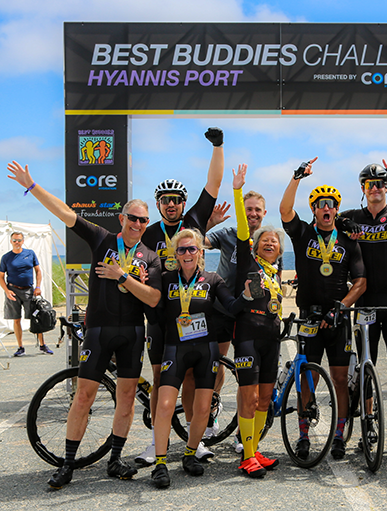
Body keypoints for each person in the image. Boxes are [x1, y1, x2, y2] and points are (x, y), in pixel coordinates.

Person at [6, 161, 162, 489]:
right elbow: (65, 213)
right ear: (122, 219)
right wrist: (32, 186)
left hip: (133, 332)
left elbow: (153, 298)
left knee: (127, 396)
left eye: (143, 219)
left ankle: (115, 458)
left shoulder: (150, 255)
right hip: (100, 331)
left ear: (148, 223)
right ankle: (67, 464)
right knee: (84, 396)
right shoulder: (103, 239)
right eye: (132, 218)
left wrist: (124, 278)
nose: (137, 223)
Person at [135, 127, 225, 466]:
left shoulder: (194, 220)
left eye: (176, 200)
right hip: (161, 318)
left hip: (195, 318)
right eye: (165, 201)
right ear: (158, 205)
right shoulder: (148, 232)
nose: (171, 205)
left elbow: (213, 184)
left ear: (183, 204)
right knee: (160, 378)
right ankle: (155, 442)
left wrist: (218, 146)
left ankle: (193, 438)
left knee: (191, 376)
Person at [279, 158, 366, 460]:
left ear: (336, 209)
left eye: (331, 204)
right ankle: (304, 435)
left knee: (340, 379)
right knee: (307, 379)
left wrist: (341, 308)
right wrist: (297, 177)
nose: (326, 208)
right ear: (314, 209)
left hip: (337, 318)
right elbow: (285, 211)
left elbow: (361, 282)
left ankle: (339, 434)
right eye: (320, 204)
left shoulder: (348, 240)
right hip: (309, 317)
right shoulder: (303, 233)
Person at [150, 227, 247, 488]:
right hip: (175, 348)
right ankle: (159, 463)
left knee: (203, 408)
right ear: (176, 254)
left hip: (206, 350)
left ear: (200, 252)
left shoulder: (213, 280)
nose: (187, 253)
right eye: (181, 249)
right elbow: (154, 310)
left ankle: (190, 454)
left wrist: (247, 295)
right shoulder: (167, 278)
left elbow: (231, 306)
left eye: (192, 248)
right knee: (165, 404)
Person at [339, 156, 387, 455]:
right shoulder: (354, 216)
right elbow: (330, 219)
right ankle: (368, 425)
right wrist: (344, 223)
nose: (376, 189)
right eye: (371, 184)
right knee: (365, 365)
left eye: (381, 184)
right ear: (363, 187)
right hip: (364, 301)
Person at [203, 187, 282, 454]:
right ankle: (210, 414)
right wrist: (211, 221)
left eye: (257, 210)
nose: (252, 213)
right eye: (248, 209)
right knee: (215, 364)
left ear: (264, 213)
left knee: (244, 376)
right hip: (223, 309)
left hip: (249, 316)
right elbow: (196, 241)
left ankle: (242, 431)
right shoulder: (229, 234)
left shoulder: (264, 245)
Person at [231, 163, 286, 478]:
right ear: (254, 245)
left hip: (272, 339)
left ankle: (254, 450)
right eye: (265, 239)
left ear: (279, 250)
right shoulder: (247, 263)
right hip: (248, 337)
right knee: (249, 396)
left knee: (265, 397)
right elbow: (243, 227)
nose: (269, 243)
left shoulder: (276, 272)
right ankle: (247, 455)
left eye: (274, 242)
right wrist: (238, 191)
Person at [0, 231, 52, 355]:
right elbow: (1, 277)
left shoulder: (30, 253)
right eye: (14, 240)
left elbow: (38, 271)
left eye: (19, 240)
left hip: (29, 290)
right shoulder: (6, 257)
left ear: (23, 241)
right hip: (13, 291)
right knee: (16, 320)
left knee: (36, 317)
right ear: (11, 241)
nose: (17, 243)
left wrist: (38, 287)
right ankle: (20, 347)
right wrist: (7, 291)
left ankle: (42, 345)